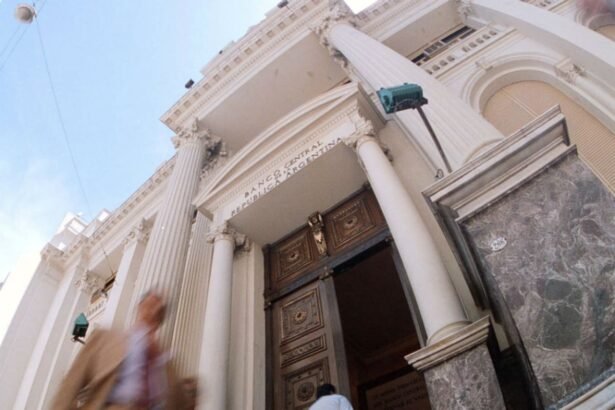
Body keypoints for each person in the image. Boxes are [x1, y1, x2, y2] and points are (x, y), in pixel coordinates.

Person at [51, 291, 190, 409]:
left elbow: (180, 403)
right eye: (151, 304)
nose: (154, 310)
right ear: (140, 307)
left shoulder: (165, 360)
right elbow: (71, 385)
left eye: (159, 309)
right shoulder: (105, 339)